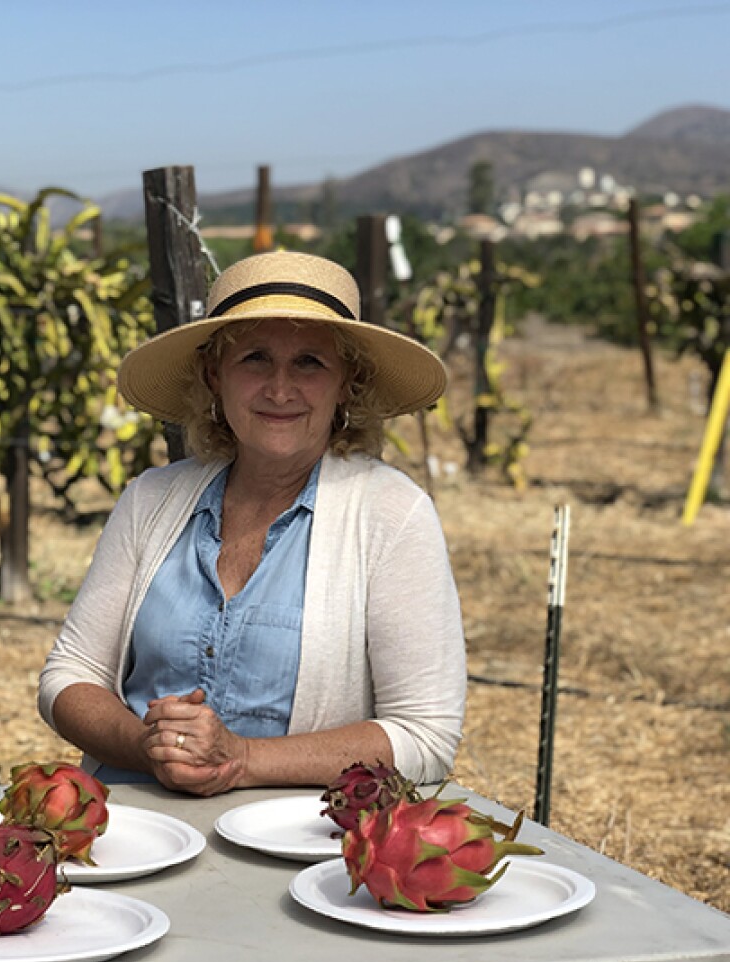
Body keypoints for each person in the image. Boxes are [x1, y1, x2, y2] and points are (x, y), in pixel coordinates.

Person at [39, 250, 465, 798]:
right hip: (134, 826)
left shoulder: (392, 514)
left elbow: (426, 735)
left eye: (309, 362)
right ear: (214, 375)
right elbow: (68, 677)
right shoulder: (151, 500)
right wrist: (149, 747)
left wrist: (241, 760)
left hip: (302, 836)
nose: (280, 389)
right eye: (255, 359)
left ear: (347, 382)